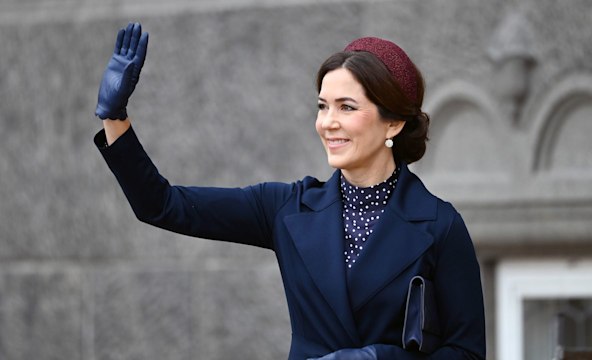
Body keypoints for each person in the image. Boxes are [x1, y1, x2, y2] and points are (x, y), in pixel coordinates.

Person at [94, 23, 486, 359]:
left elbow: (467, 352)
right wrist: (116, 116)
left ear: (393, 124)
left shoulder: (440, 225)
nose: (328, 123)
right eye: (322, 106)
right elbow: (161, 205)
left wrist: (379, 357)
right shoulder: (287, 207)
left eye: (346, 107)